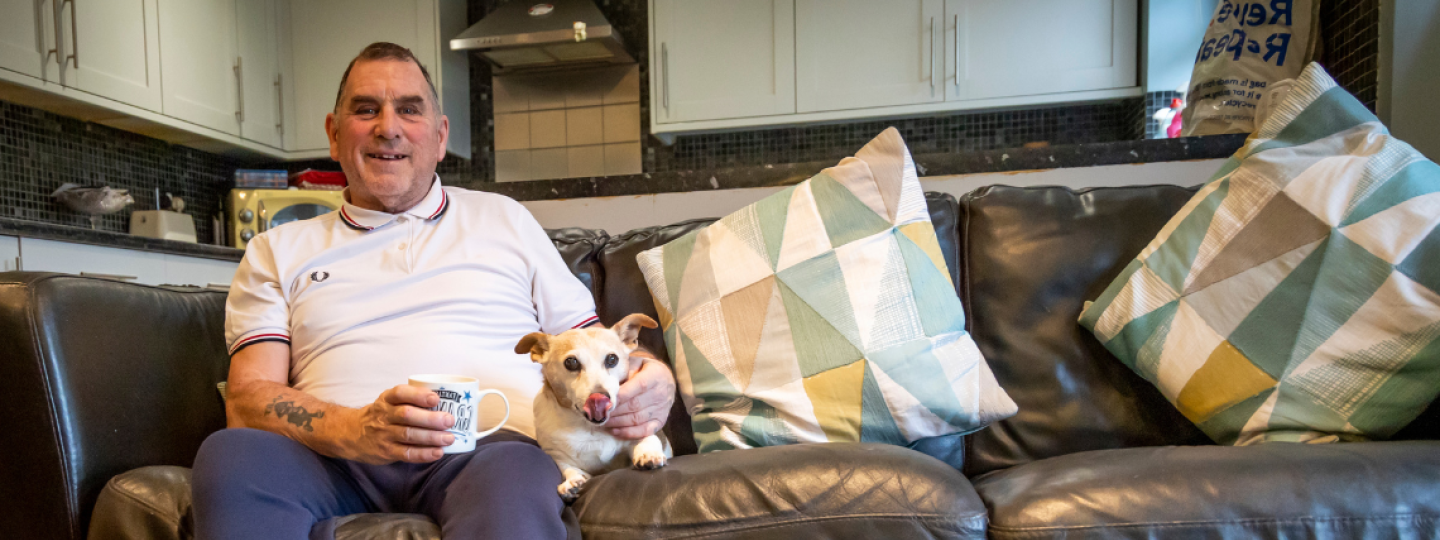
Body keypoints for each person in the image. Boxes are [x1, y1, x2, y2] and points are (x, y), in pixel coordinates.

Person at [190, 42, 675, 539]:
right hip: (328, 457)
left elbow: (596, 347)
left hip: (488, 451)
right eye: (365, 109)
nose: (388, 126)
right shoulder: (278, 248)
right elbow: (247, 400)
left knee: (520, 475)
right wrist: (355, 430)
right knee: (233, 454)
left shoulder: (504, 218)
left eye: (409, 109)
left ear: (440, 136)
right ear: (334, 135)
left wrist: (654, 377)